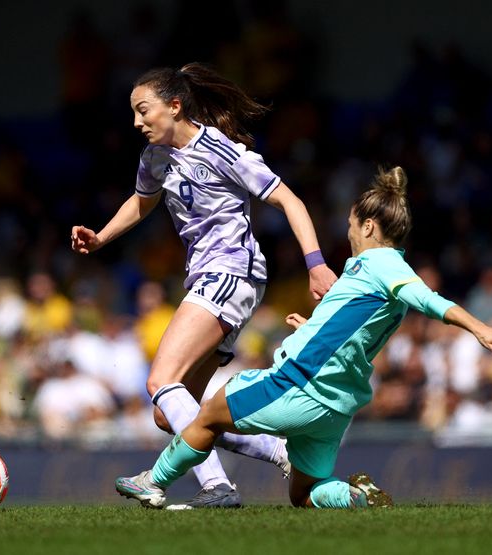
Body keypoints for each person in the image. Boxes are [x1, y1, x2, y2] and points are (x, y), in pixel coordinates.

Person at [115, 166, 492, 509]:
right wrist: (311, 327)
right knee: (304, 494)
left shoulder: (383, 264)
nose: (350, 233)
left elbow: (428, 299)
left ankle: (153, 482)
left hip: (299, 383)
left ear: (369, 226)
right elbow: (354, 329)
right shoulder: (365, 273)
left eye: (351, 225)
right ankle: (354, 498)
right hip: (336, 406)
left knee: (208, 416)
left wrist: (481, 329)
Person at [71, 63, 337, 508]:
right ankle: (280, 451)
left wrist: (315, 264)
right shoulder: (156, 157)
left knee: (160, 379)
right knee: (169, 413)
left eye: (144, 111)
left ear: (175, 106)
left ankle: (217, 486)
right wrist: (101, 237)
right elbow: (142, 201)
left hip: (231, 273)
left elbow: (289, 199)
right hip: (215, 279)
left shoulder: (221, 150)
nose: (137, 122)